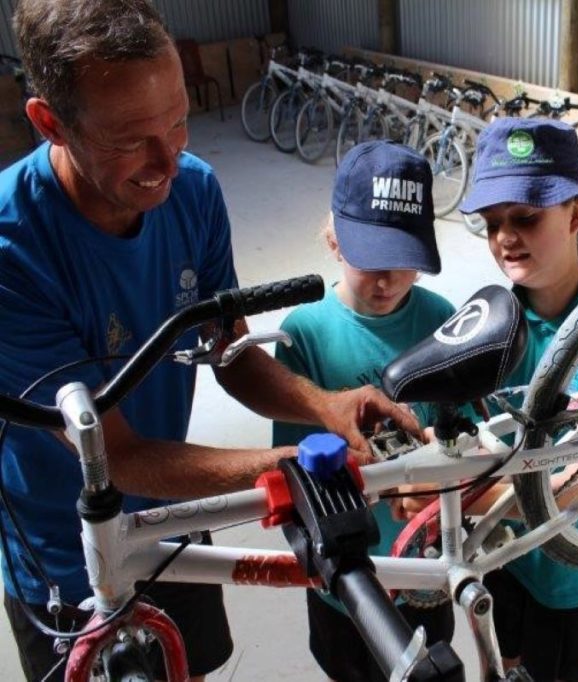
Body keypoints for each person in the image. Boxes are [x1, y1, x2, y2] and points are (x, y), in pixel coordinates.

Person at [0, 3, 418, 681]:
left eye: (179, 121)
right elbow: (117, 457)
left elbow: (228, 350)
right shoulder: (15, 251)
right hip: (69, 557)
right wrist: (285, 464)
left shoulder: (192, 191)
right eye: (132, 140)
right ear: (51, 122)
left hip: (171, 517)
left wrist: (326, 406)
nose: (168, 160)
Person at [400, 117, 578, 682]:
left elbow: (573, 485)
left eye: (526, 218)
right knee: (505, 664)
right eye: (492, 223)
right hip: (506, 557)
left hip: (574, 580)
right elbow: (459, 427)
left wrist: (450, 494)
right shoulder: (490, 320)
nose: (505, 238)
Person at [272, 140, 457, 682]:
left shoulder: (442, 317)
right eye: (371, 259)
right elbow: (296, 469)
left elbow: (464, 432)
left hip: (424, 569)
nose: (387, 280)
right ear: (333, 239)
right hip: (346, 580)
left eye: (404, 262)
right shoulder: (304, 334)